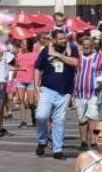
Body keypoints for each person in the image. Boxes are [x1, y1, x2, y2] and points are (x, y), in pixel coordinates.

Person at [33, 30, 79, 158]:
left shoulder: (72, 49)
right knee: (41, 116)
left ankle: (57, 149)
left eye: (64, 38)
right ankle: (43, 140)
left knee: (59, 120)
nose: (63, 41)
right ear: (53, 40)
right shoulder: (46, 50)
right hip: (47, 89)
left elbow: (75, 62)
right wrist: (36, 86)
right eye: (60, 39)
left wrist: (57, 55)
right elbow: (37, 68)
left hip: (65, 92)